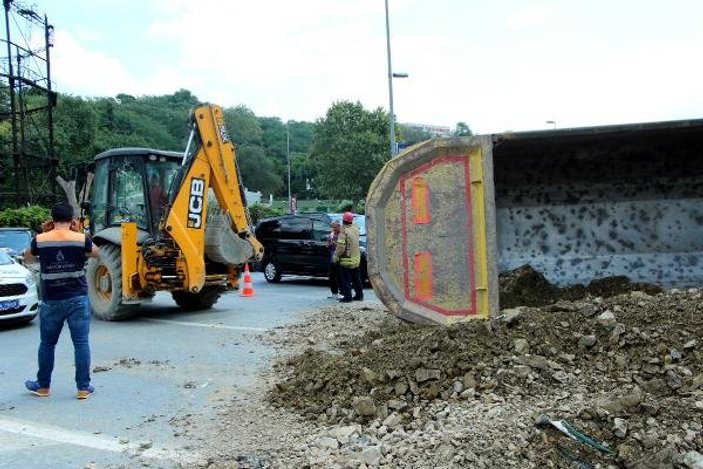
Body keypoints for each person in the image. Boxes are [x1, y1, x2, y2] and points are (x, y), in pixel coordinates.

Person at [23, 202, 100, 400]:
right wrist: (77, 234)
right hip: (77, 298)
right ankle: (83, 388)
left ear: (52, 218)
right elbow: (97, 253)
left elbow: (28, 258)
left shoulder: (40, 239)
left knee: (47, 344)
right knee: (81, 343)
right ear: (72, 219)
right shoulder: (81, 238)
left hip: (51, 299)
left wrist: (45, 235)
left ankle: (43, 387)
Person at [334, 211, 363, 302]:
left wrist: (336, 256)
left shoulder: (344, 232)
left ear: (343, 221)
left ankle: (348, 297)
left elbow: (341, 247)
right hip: (356, 259)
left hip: (346, 260)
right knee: (356, 279)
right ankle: (359, 295)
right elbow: (352, 224)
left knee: (346, 279)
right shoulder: (355, 228)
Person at [327, 220, 342, 299]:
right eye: (332, 227)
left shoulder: (342, 235)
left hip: (340, 258)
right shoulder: (331, 234)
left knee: (340, 276)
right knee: (331, 276)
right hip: (332, 258)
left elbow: (343, 247)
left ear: (339, 226)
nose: (334, 229)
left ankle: (342, 292)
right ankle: (334, 293)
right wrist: (329, 242)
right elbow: (327, 245)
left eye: (335, 227)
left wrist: (335, 244)